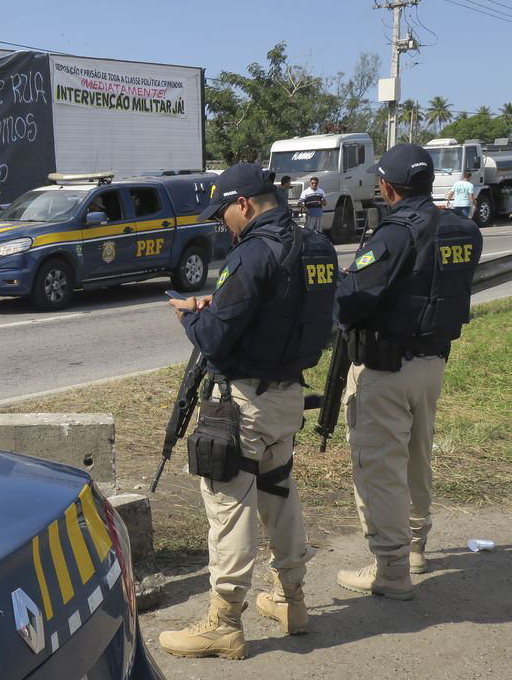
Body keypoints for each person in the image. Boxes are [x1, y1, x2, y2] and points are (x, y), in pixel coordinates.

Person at [160, 163, 337, 660]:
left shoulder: (253, 253)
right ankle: (291, 599)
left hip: (243, 401)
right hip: (287, 397)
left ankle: (223, 622)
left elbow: (216, 335)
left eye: (224, 214)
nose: (223, 225)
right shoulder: (317, 247)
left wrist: (190, 317)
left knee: (228, 502)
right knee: (279, 493)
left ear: (244, 204)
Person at [334, 144, 482, 598]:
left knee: (379, 467)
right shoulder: (463, 229)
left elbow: (350, 299)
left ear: (385, 186)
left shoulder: (395, 233)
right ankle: (415, 547)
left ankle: (392, 570)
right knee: (418, 457)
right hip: (433, 363)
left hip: (386, 369)